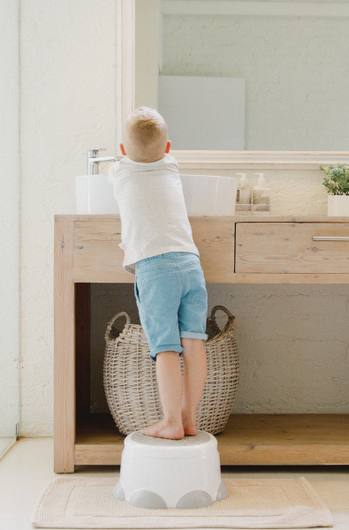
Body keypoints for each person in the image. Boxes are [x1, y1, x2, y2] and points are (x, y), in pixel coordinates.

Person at [108, 106, 208, 440]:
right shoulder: (171, 167)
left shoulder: (119, 172)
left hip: (155, 268)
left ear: (122, 151)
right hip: (191, 263)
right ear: (168, 149)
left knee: (165, 346)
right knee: (193, 341)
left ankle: (170, 422)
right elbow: (155, 154)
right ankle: (189, 418)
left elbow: (124, 164)